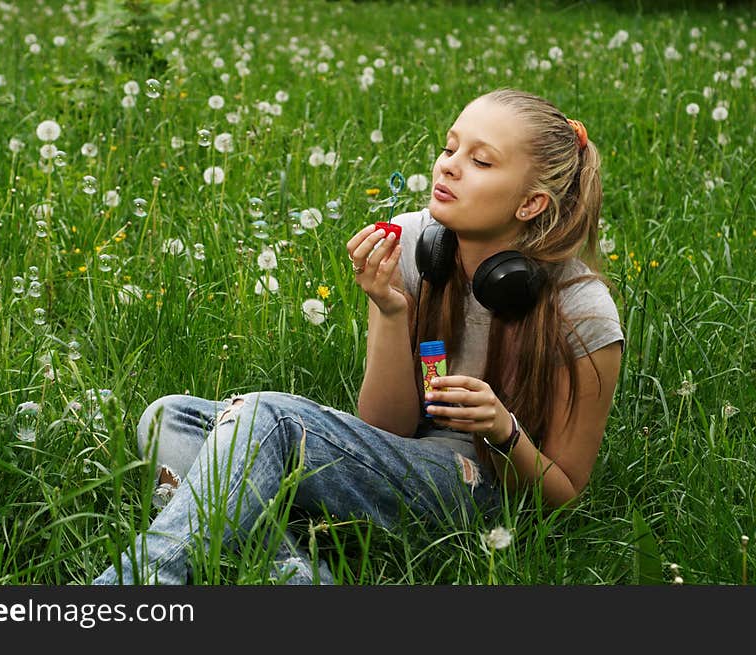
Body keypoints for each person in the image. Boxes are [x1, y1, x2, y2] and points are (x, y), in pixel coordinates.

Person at [92, 88, 625, 585]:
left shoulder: (581, 309)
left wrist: (503, 431)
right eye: (449, 148)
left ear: (530, 203)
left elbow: (565, 494)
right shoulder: (417, 243)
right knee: (172, 418)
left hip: (480, 489)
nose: (448, 165)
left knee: (264, 422)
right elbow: (384, 426)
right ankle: (300, 576)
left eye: (480, 162)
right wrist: (391, 309)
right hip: (400, 457)